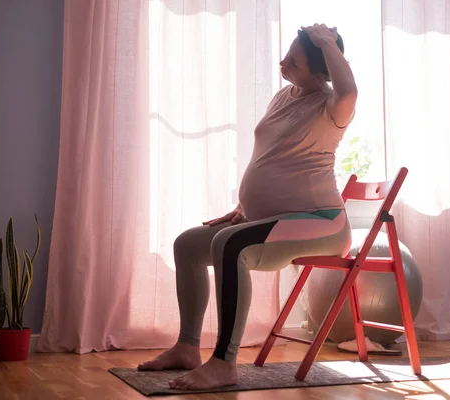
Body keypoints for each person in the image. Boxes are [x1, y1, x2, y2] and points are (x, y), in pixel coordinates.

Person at [138, 23, 357, 390]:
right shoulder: (285, 96)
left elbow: (349, 87)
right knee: (188, 245)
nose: (283, 62)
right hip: (275, 217)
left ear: (321, 71)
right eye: (287, 54)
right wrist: (244, 207)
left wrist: (327, 41)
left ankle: (224, 363)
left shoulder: (333, 107)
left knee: (231, 245)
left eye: (295, 61)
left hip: (322, 223)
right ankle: (187, 347)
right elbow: (272, 156)